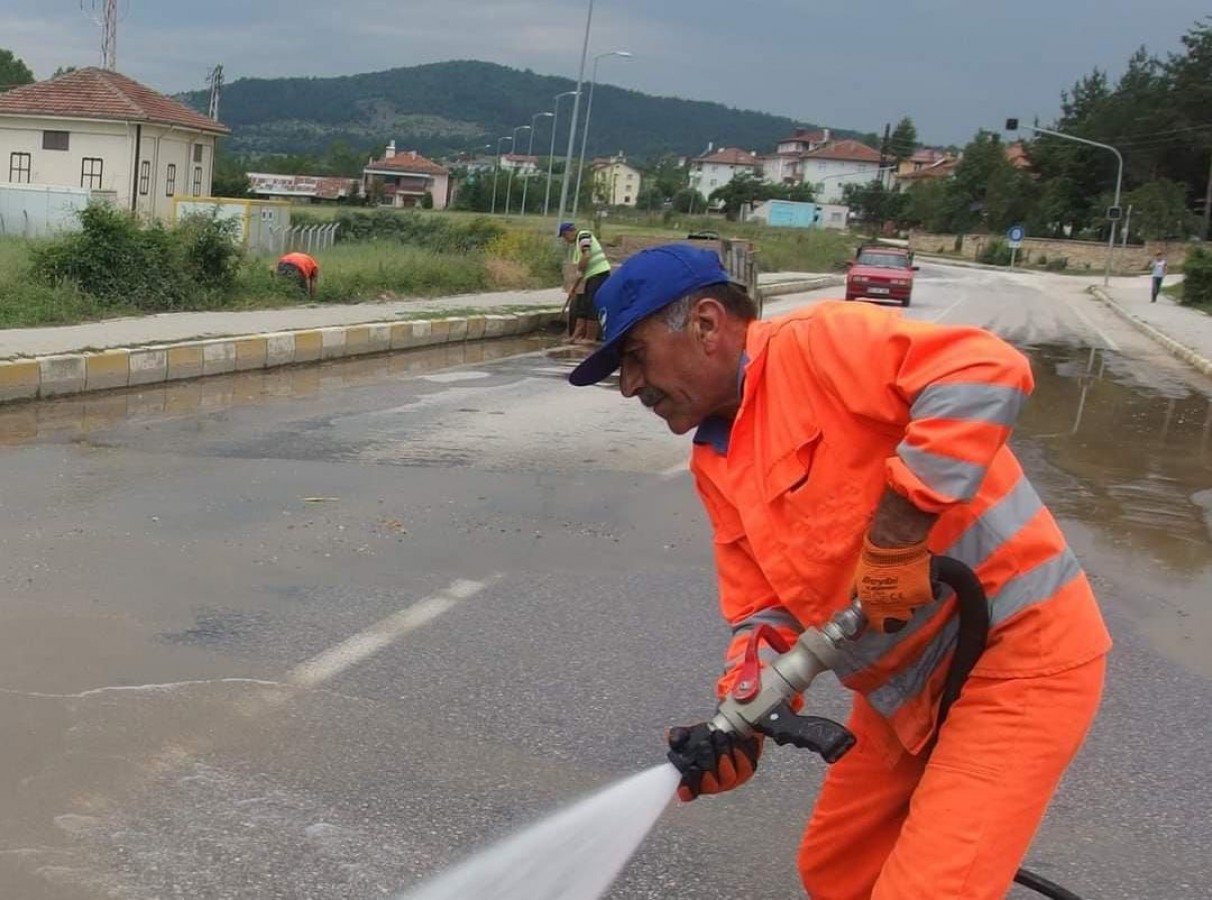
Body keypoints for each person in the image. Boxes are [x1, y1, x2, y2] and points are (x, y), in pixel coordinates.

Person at [567, 244, 1111, 900]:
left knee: (930, 889)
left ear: (707, 325)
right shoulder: (716, 459)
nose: (629, 386)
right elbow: (766, 612)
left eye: (633, 357)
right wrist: (740, 719)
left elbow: (987, 372)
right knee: (839, 871)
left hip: (1019, 658)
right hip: (907, 692)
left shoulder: (819, 345)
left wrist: (898, 531)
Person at [559, 221, 611, 344]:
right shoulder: (577, 245)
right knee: (582, 305)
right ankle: (576, 336)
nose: (565, 240)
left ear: (568, 232)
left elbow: (586, 256)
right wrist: (574, 287)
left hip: (600, 274)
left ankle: (590, 338)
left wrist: (580, 272)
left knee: (591, 304)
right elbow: (580, 267)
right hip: (589, 277)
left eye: (564, 236)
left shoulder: (584, 235)